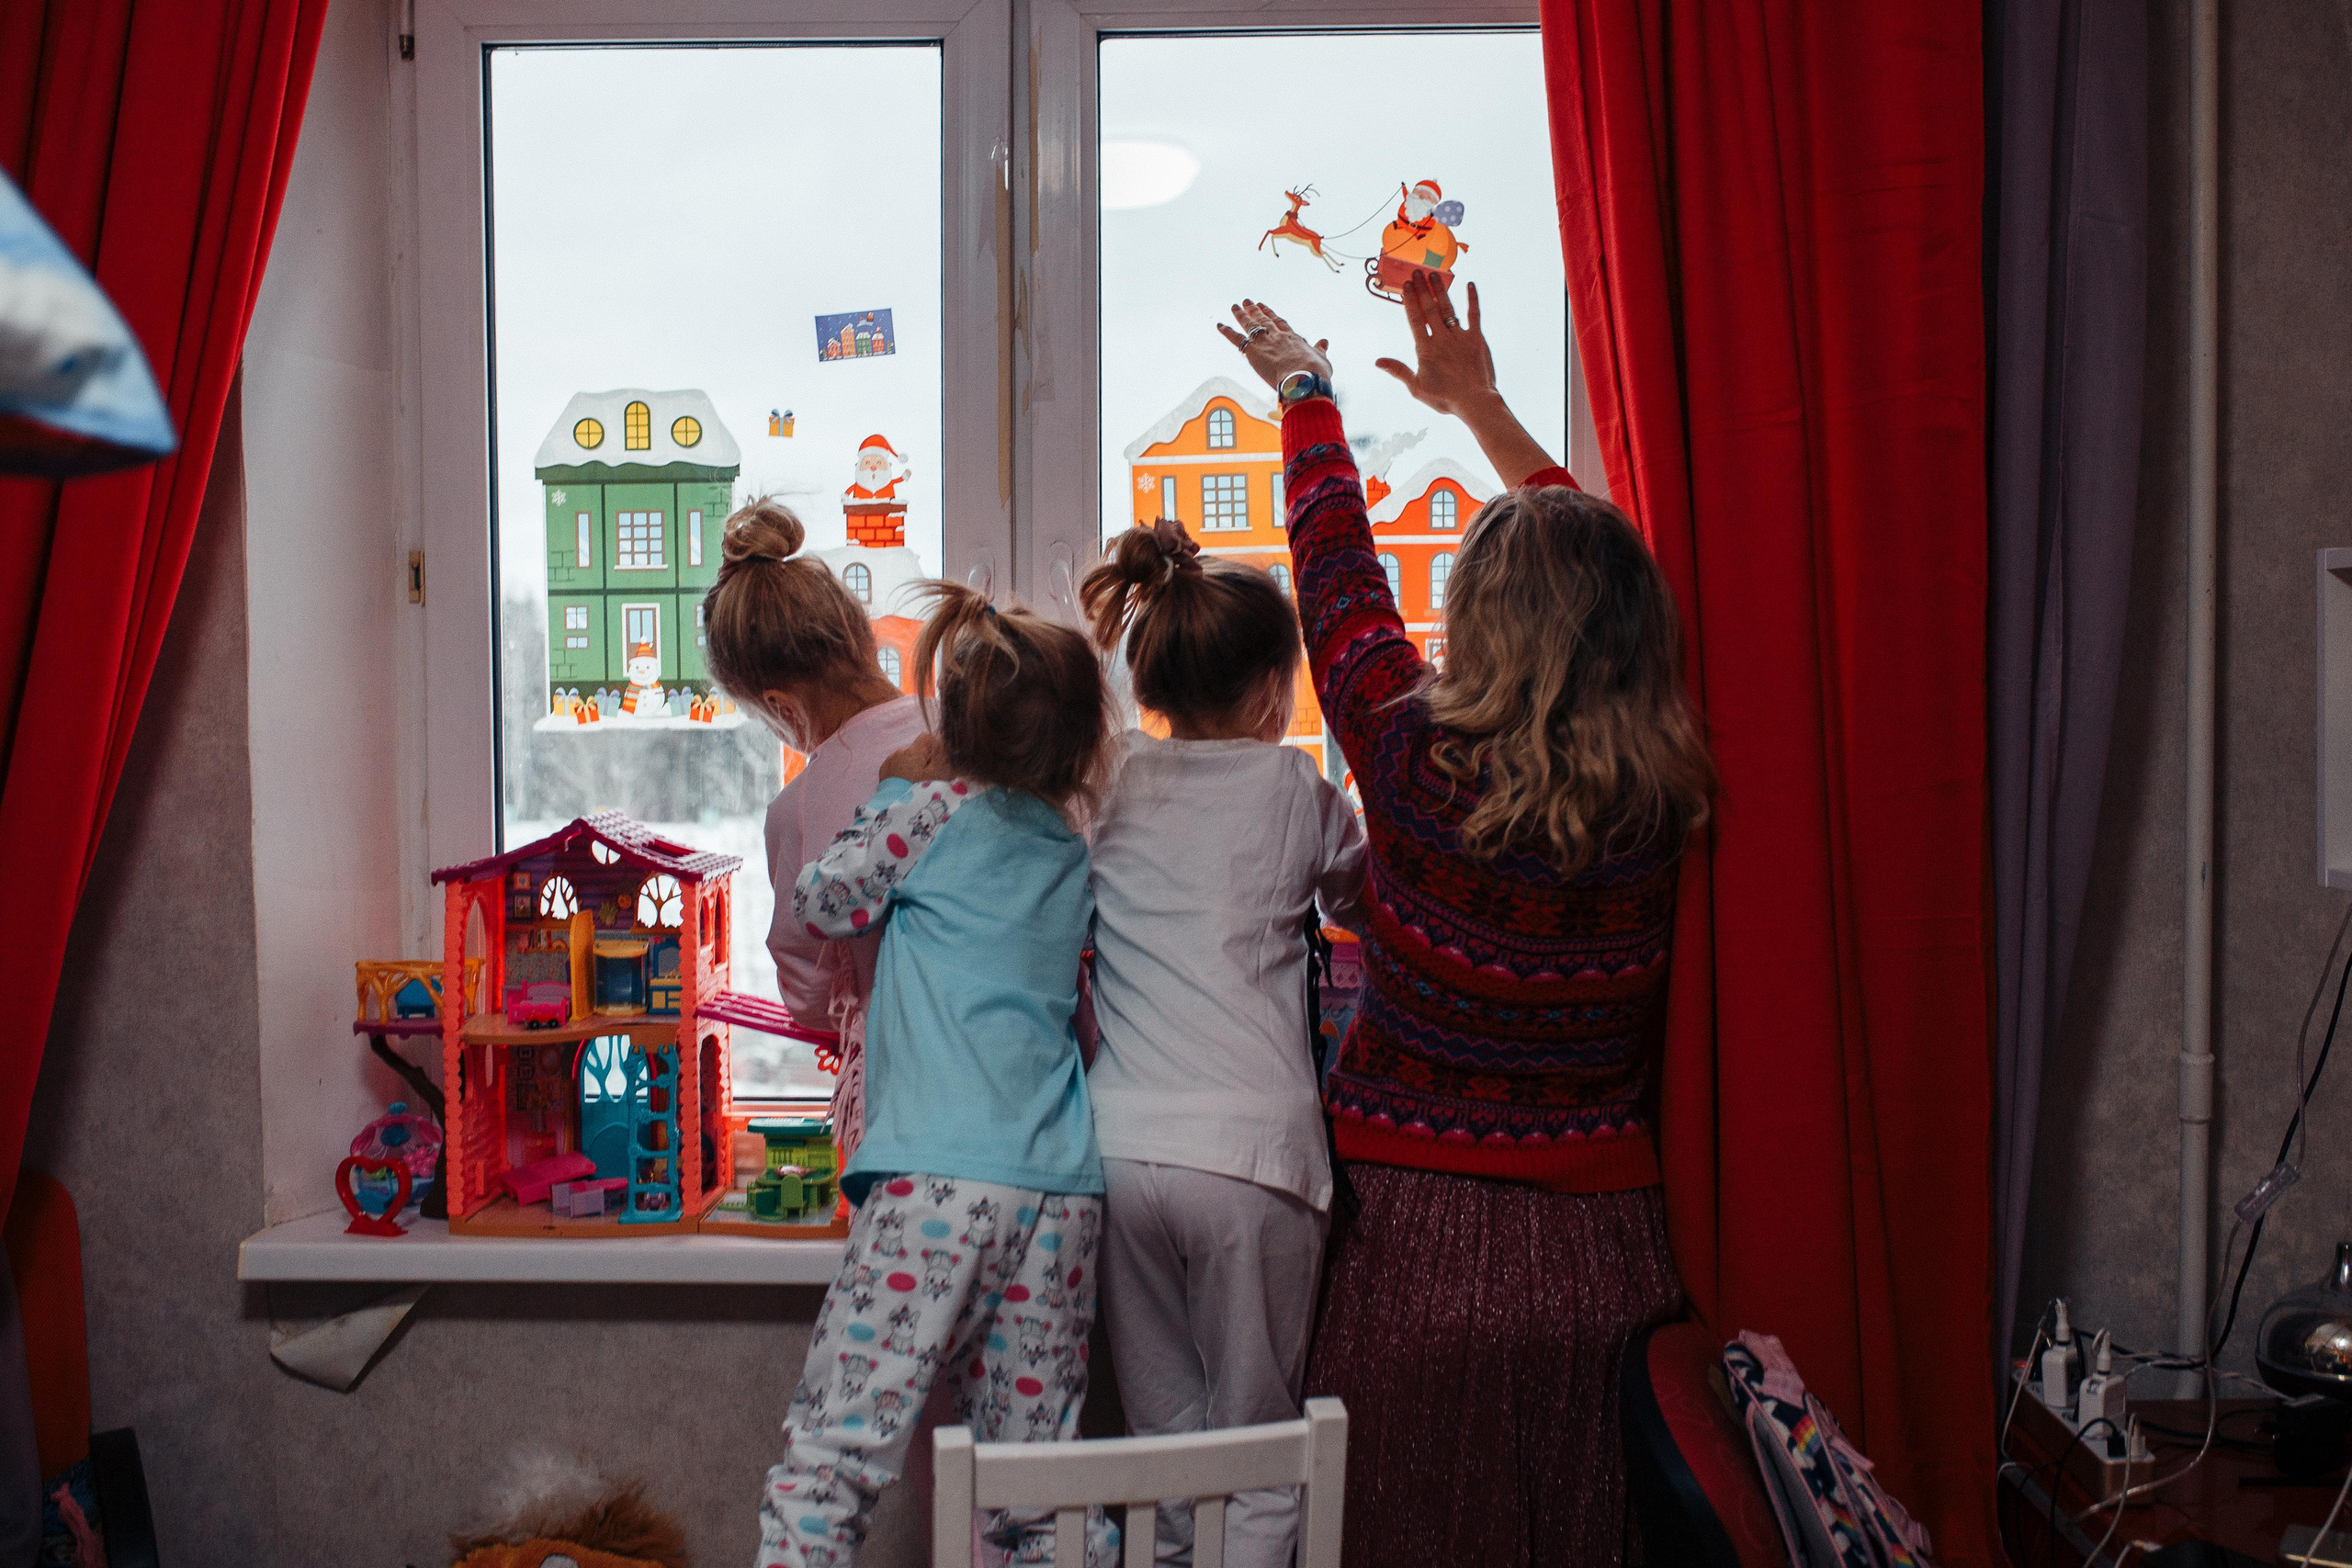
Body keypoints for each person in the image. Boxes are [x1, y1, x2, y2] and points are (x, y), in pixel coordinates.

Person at [1216, 275, 1715, 1568]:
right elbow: (1599, 571)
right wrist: (1484, 412)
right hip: (1606, 1261)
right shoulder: (1664, 792)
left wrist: (1308, 392)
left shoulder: (1411, 750)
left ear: (1477, 618)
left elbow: (1337, 575)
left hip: (1413, 1252)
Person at [757, 581, 1119, 1568]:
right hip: (1058, 1190)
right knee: (1036, 1492)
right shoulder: (1069, 847)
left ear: (946, 734)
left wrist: (892, 786)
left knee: (829, 1462)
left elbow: (823, 901)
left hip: (934, 1189)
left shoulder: (925, 813)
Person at [1077, 519, 1367, 1568]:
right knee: (1256, 1454)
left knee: (1164, 1446)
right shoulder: (1294, 788)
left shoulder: (1109, 784)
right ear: (1269, 695)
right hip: (1249, 1161)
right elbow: (1368, 903)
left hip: (1119, 1151)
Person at [700, 499, 922, 1158]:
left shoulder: (798, 808)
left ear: (780, 705)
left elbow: (809, 994)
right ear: (861, 637)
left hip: (901, 1105)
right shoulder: (967, 726)